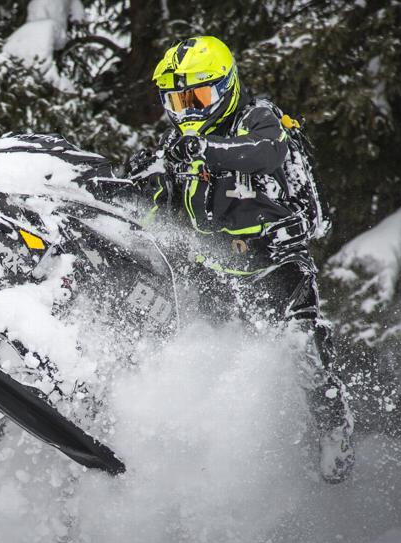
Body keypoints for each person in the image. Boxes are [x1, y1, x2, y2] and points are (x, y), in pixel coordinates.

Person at [127, 35, 355, 483]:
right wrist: (138, 184)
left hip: (276, 261)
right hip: (213, 271)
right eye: (178, 99)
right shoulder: (177, 146)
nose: (189, 110)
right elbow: (155, 207)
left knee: (300, 348)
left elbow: (267, 152)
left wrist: (204, 151)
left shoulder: (258, 119)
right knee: (198, 349)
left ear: (226, 86)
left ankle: (333, 425)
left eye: (199, 95)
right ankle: (201, 450)